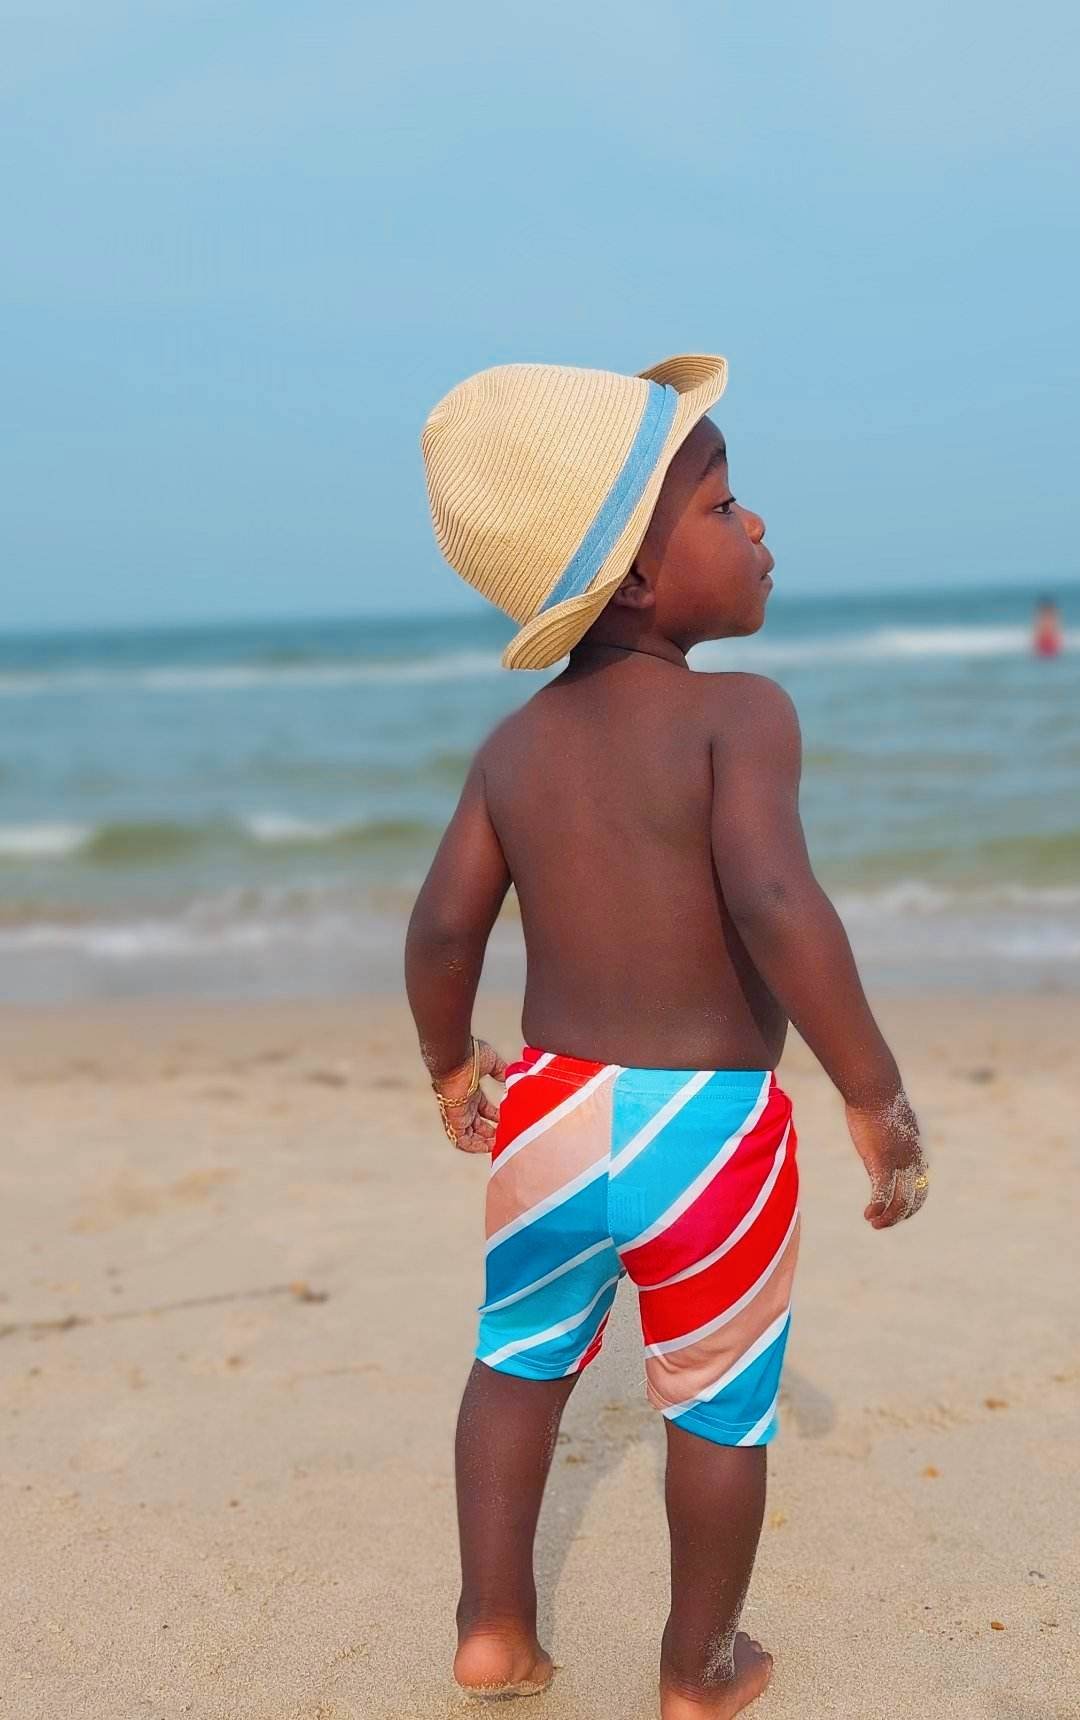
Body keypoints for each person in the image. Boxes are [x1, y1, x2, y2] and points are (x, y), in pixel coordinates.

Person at [405, 353, 929, 1719]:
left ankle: (492, 1627)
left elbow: (443, 931)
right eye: (723, 506)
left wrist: (452, 1063)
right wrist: (872, 1091)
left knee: (515, 1369)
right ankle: (697, 1669)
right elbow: (773, 898)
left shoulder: (514, 750)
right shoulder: (740, 716)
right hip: (711, 1135)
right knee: (716, 1408)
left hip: (552, 1114)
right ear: (637, 580)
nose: (756, 528)